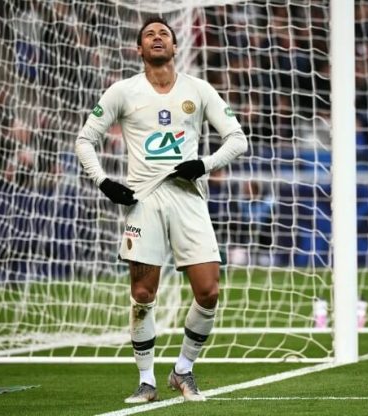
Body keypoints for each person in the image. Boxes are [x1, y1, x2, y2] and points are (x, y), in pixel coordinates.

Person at [75, 16, 248, 403]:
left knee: (208, 291)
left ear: (174, 47)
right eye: (149, 35)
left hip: (188, 198)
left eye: (163, 34)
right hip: (144, 201)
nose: (157, 38)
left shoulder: (198, 90)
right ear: (139, 49)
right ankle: (147, 381)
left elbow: (238, 139)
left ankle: (183, 371)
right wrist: (104, 181)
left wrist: (203, 164)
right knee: (142, 292)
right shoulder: (122, 91)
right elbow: (85, 140)